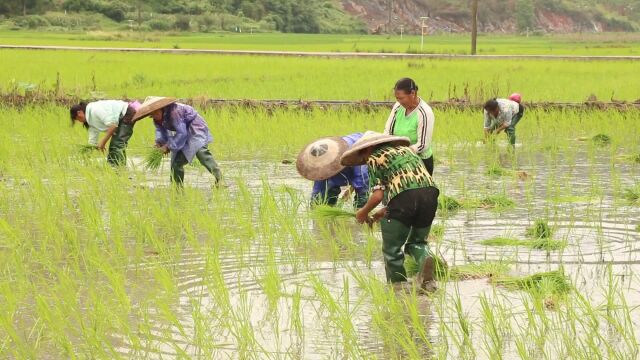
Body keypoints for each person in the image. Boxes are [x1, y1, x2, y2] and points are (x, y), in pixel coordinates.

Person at [340, 131, 439, 290]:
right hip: (430, 194)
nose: (364, 161)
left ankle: (398, 286)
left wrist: (363, 212)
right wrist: (385, 210)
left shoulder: (374, 158)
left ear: (368, 148)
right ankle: (427, 273)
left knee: (392, 249)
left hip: (404, 199)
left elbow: (378, 195)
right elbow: (411, 186)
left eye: (363, 156)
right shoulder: (406, 151)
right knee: (418, 242)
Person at [131, 97, 222, 186]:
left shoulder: (175, 112)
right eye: (152, 114)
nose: (155, 116)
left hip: (195, 126)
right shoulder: (157, 120)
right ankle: (176, 187)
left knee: (200, 151)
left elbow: (182, 133)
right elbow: (161, 132)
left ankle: (220, 179)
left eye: (156, 112)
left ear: (161, 109)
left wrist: (167, 146)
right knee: (176, 162)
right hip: (182, 131)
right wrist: (159, 143)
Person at [296, 133, 369, 209]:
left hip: (363, 152)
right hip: (350, 168)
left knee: (361, 203)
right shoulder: (320, 168)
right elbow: (317, 192)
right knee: (324, 199)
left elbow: (363, 182)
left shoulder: (354, 154)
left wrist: (361, 209)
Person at [384, 78, 436, 175]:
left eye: (401, 98)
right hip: (397, 159)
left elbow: (423, 145)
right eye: (397, 98)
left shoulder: (424, 112)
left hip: (420, 161)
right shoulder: (397, 107)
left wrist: (404, 153)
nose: (399, 101)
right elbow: (388, 131)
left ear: (412, 93)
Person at [70, 100, 140, 166]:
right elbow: (92, 141)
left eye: (77, 119)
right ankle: (113, 167)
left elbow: (113, 125)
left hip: (126, 113)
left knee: (117, 145)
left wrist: (103, 142)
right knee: (114, 147)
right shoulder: (90, 120)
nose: (79, 121)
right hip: (119, 120)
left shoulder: (95, 110)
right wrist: (86, 156)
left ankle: (120, 169)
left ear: (79, 113)